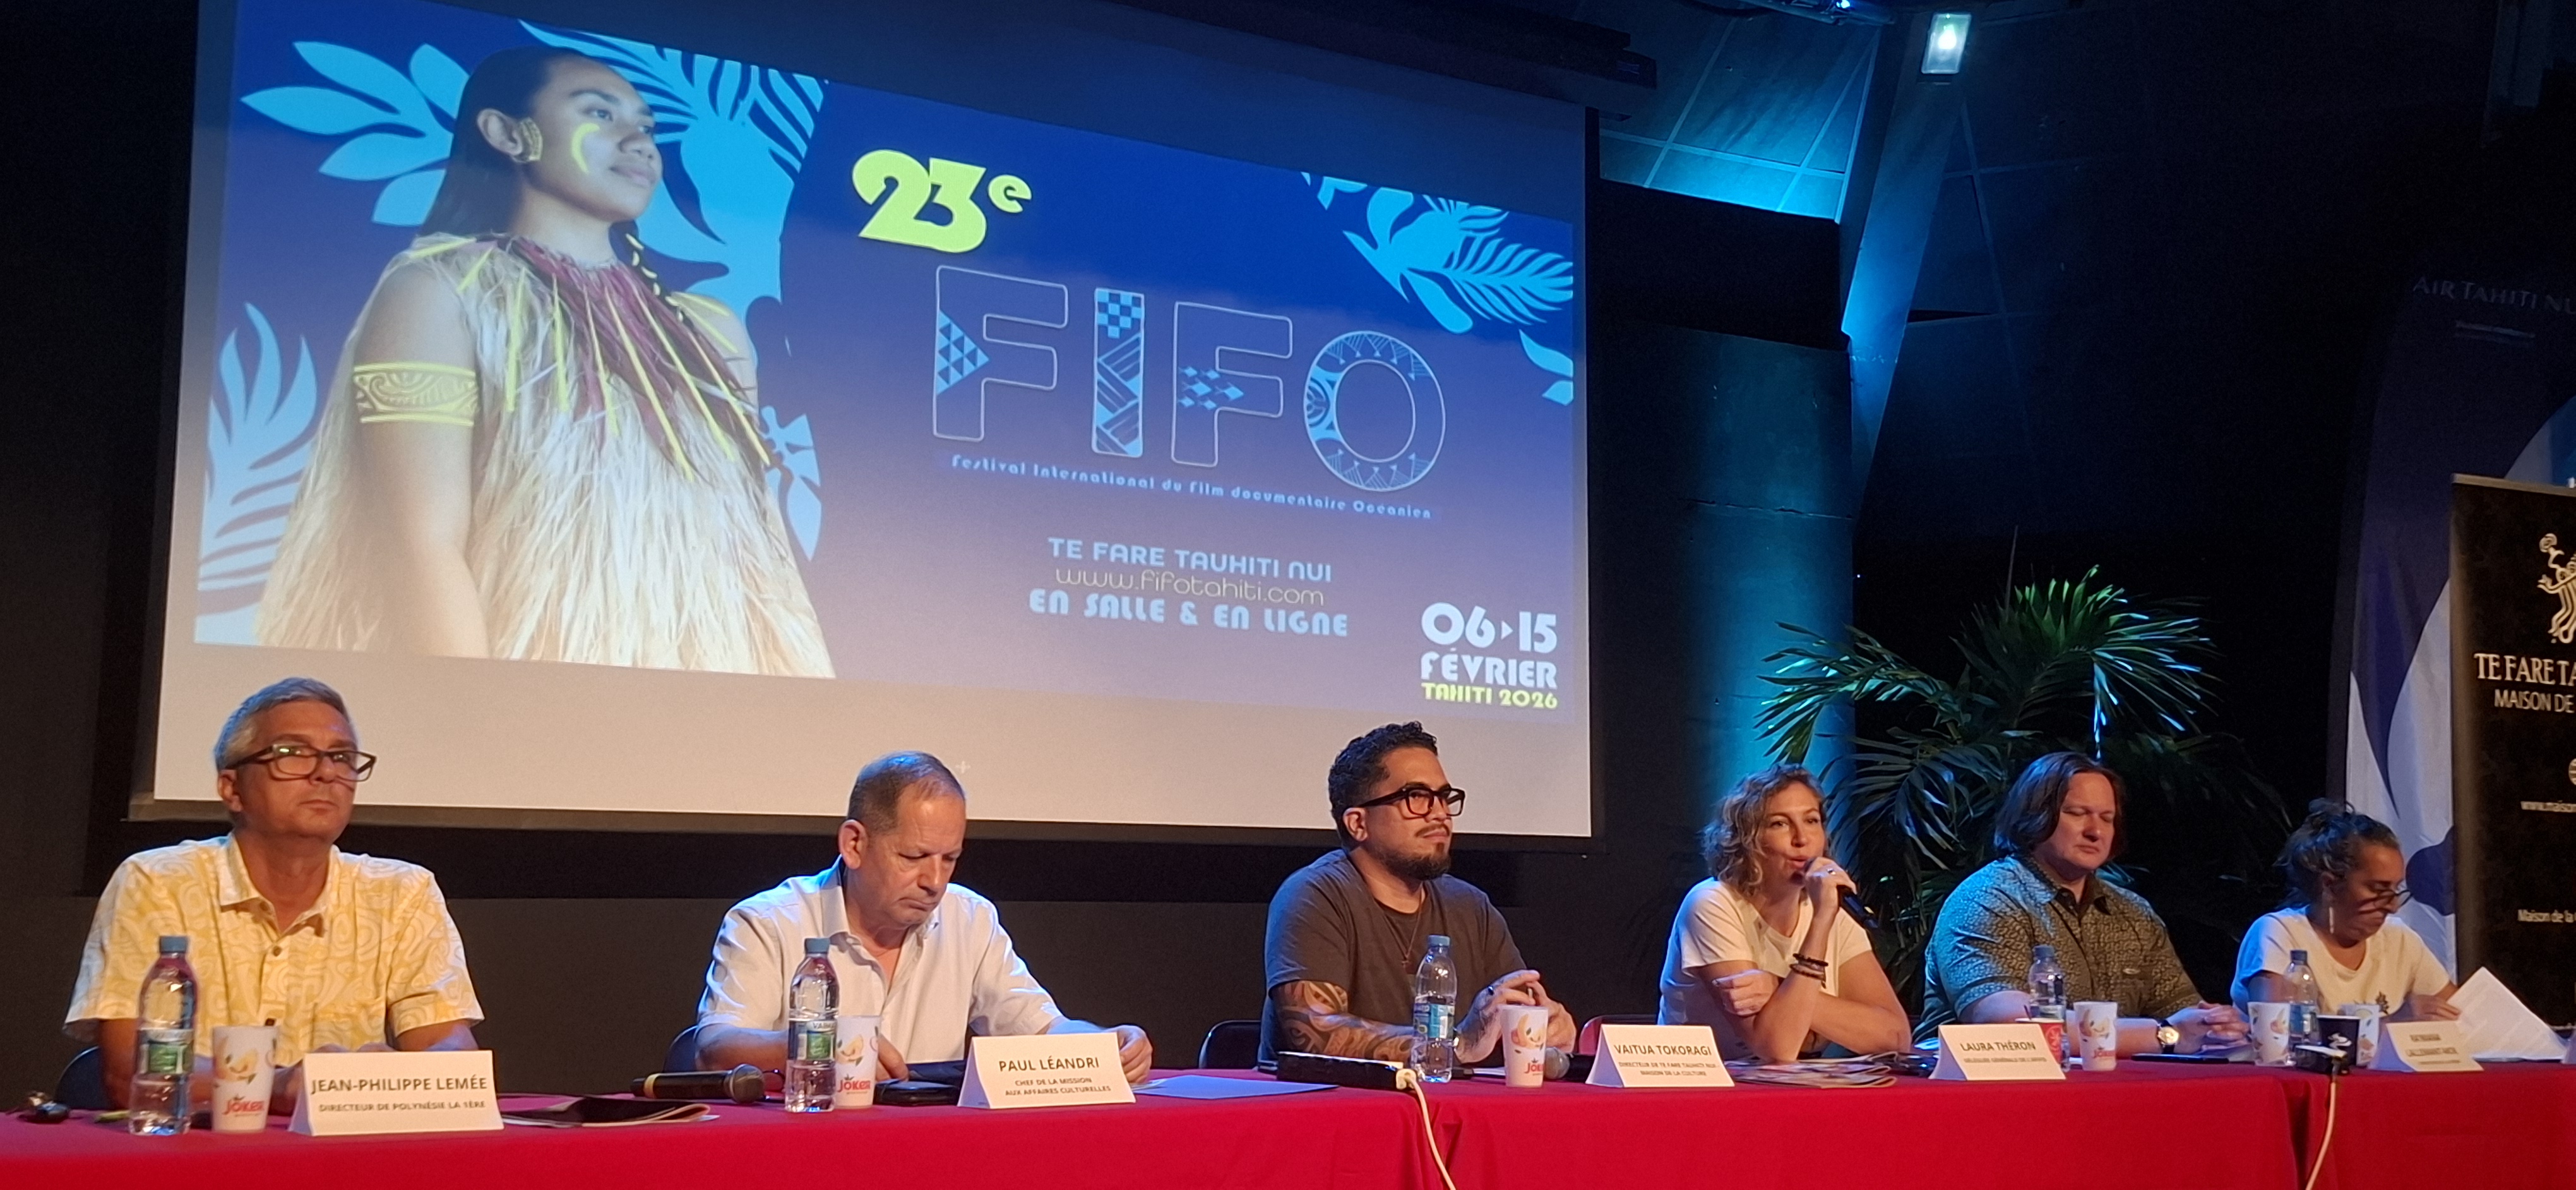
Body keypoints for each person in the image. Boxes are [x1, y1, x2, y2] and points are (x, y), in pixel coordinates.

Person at [258, 45, 831, 678]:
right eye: (600, 114)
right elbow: (421, 544)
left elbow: (758, 550)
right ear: (507, 133)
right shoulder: (441, 292)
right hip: (525, 692)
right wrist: (477, 712)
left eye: (647, 126)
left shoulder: (709, 327)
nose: (639, 142)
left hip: (715, 688)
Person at [65, 678, 482, 1112]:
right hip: (192, 1149)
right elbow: (134, 1069)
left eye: (341, 757)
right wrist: (279, 1085)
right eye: (292, 753)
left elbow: (451, 1049)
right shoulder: (157, 882)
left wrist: (396, 1073)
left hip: (340, 1152)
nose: (326, 773)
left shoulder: (402, 893)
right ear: (232, 788)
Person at [695, 752, 1152, 1083]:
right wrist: (823, 1044)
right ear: (854, 845)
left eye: (949, 859)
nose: (934, 881)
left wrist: (1103, 1044)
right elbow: (714, 1048)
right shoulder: (768, 922)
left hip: (933, 1152)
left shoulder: (969, 919)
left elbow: (1042, 1029)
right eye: (913, 857)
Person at [1261, 722, 1576, 1065]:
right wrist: (1456, 1042)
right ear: (1358, 823)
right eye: (1416, 797)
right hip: (1336, 1099)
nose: (1440, 813)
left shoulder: (1470, 906)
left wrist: (1544, 1029)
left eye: (1444, 797)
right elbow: (1315, 1034)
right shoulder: (1314, 896)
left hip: (1449, 1098)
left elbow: (1513, 1015)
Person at [1922, 751, 2247, 1055]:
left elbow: (2182, 1012)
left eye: (2107, 818)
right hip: (1989, 1088)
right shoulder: (1987, 900)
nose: (2096, 831)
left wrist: (2213, 1026)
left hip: (2107, 1088)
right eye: (2077, 814)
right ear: (2036, 814)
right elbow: (2008, 1025)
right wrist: (2164, 1035)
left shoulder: (2133, 913)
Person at [1657, 764, 1909, 1061]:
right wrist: (1820, 923)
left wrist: (1776, 987)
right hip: (1698, 1082)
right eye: (1779, 824)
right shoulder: (1712, 904)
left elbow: (1895, 1036)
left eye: (1812, 821)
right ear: (1747, 840)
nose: (1802, 838)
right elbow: (1776, 1048)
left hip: (1789, 1083)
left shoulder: (1831, 910)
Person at [2232, 801, 2456, 1019]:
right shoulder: (2279, 934)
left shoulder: (2400, 939)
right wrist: (2395, 1022)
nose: (2393, 906)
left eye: (2396, 889)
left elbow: (2461, 1016)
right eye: (2378, 889)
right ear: (2330, 885)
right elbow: (2278, 1033)